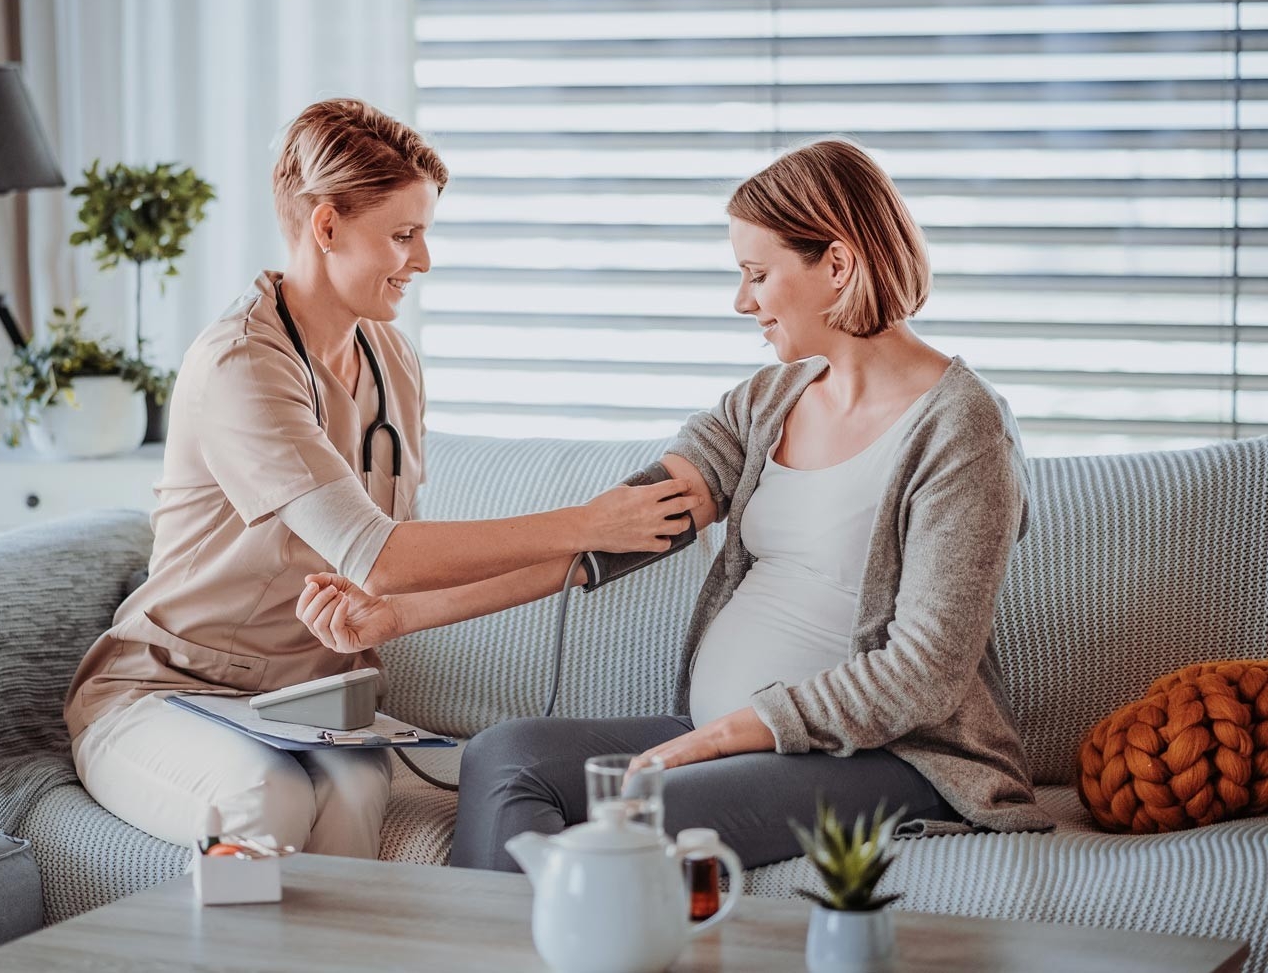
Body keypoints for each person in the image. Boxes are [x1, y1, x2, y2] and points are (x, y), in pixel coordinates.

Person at [295, 139, 1055, 872]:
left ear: (838, 264)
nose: (741, 301)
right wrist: (400, 616)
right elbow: (609, 535)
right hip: (728, 737)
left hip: (892, 757)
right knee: (503, 754)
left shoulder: (961, 427)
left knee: (643, 807)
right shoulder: (768, 401)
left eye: (757, 273)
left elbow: (923, 673)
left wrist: (731, 734)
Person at [63, 98, 694, 859]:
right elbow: (379, 552)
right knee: (265, 797)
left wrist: (585, 555)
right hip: (166, 691)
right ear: (327, 226)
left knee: (358, 792)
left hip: (308, 700)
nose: (422, 260)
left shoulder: (392, 361)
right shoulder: (243, 364)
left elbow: (392, 587)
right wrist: (587, 522)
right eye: (403, 234)